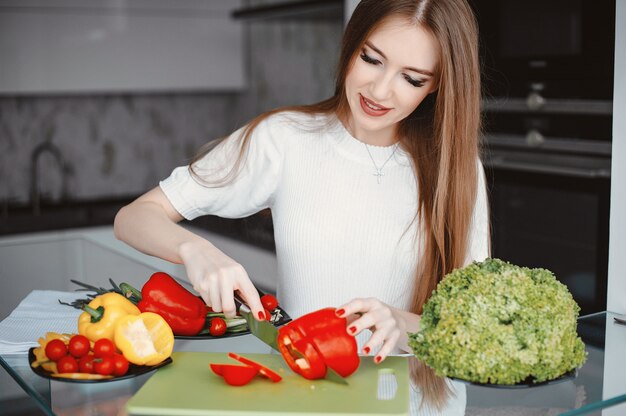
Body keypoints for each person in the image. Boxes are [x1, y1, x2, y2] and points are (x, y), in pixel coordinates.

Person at [114, 0, 489, 414]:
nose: (381, 91)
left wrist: (402, 324)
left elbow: (473, 329)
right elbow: (133, 217)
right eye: (371, 59)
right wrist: (194, 250)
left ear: (437, 84)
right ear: (351, 45)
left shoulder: (458, 169)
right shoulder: (284, 139)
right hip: (306, 404)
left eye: (412, 79)